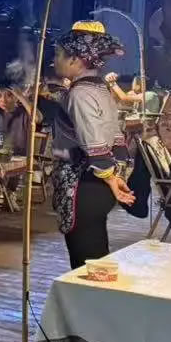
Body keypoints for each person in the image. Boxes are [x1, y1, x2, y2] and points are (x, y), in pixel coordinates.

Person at [46, 30, 133, 267]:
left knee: (85, 262)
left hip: (83, 185)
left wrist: (109, 177)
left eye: (58, 54)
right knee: (96, 255)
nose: (54, 60)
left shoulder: (80, 94)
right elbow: (116, 135)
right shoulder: (100, 89)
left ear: (75, 59)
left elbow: (92, 141)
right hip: (97, 185)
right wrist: (115, 176)